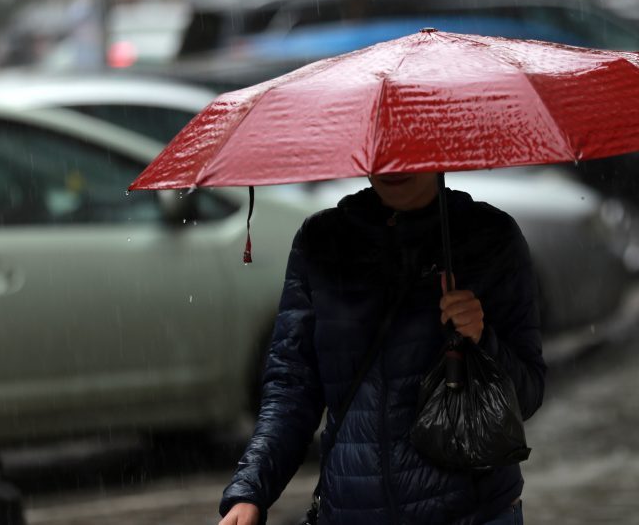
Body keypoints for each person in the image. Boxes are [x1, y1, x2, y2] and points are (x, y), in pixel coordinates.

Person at [218, 171, 546, 525]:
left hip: (474, 514)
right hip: (350, 512)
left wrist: (482, 338)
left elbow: (527, 394)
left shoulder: (489, 237)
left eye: (406, 150)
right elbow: (291, 390)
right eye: (382, 155)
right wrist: (250, 490)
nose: (392, 168)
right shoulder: (322, 242)